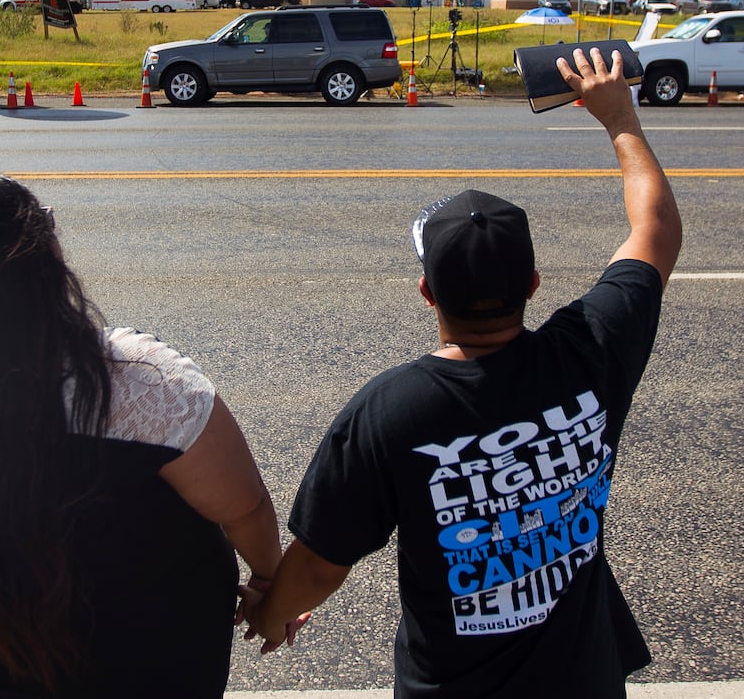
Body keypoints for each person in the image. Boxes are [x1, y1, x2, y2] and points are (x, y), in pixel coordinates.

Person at [243, 47, 683, 697]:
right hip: (583, 677)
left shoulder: (390, 411)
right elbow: (656, 228)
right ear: (533, 283)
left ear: (426, 292)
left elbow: (317, 567)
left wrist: (271, 615)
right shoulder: (591, 348)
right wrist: (619, 118)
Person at [0, 175, 284, 698]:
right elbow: (244, 507)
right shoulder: (141, 381)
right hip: (153, 667)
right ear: (46, 257)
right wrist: (268, 583)